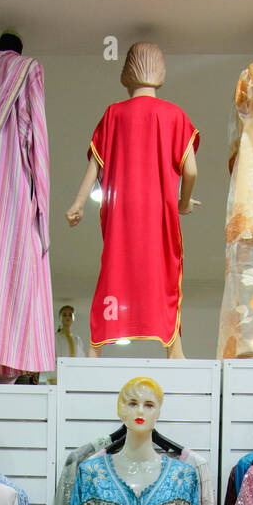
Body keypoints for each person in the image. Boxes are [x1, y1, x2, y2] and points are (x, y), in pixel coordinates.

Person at [66, 42, 198, 358]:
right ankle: (173, 348)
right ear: (161, 72)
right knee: (163, 273)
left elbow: (93, 167)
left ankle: (96, 348)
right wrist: (183, 201)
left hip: (121, 217)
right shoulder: (175, 115)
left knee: (115, 270)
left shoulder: (113, 114)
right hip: (159, 216)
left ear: (126, 74)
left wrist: (79, 203)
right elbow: (191, 171)